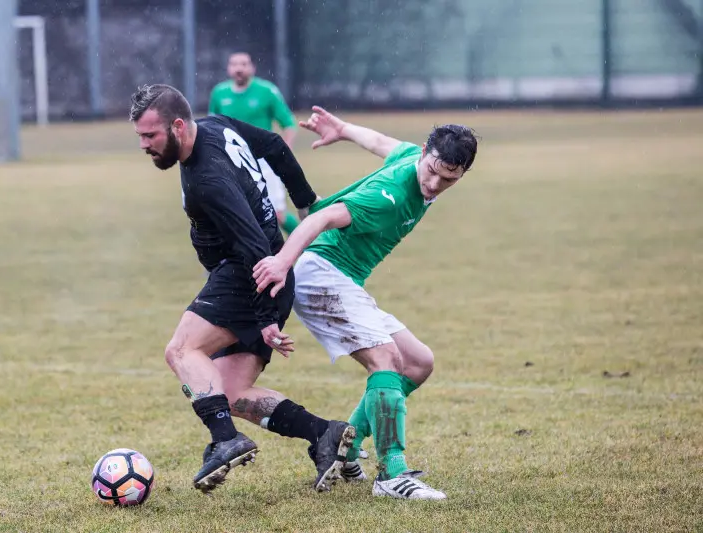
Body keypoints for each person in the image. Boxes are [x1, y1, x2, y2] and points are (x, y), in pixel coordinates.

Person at [129, 85, 355, 494]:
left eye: (151, 136)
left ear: (178, 126)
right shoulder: (215, 125)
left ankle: (225, 439)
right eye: (141, 137)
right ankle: (323, 433)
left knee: (181, 351)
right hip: (264, 276)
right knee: (230, 391)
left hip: (248, 276)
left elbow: (251, 244)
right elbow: (273, 145)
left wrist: (265, 316)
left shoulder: (207, 180)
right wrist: (306, 202)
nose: (144, 146)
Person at [253, 106, 479, 500]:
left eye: (449, 179)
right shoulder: (388, 197)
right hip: (321, 274)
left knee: (420, 362)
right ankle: (392, 473)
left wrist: (342, 129)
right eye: (432, 171)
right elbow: (318, 220)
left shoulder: (415, 155)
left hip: (344, 278)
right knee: (386, 359)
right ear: (426, 152)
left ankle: (347, 449)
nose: (435, 184)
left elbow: (382, 143)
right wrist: (282, 263)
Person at [209, 52, 301, 236]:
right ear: (229, 69)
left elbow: (289, 125)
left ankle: (313, 245)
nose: (239, 68)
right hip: (232, 163)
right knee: (234, 215)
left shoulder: (266, 91)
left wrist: (282, 153)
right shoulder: (219, 93)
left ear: (252, 68)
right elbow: (211, 128)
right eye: (234, 64)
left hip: (263, 162)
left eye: (243, 64)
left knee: (277, 214)